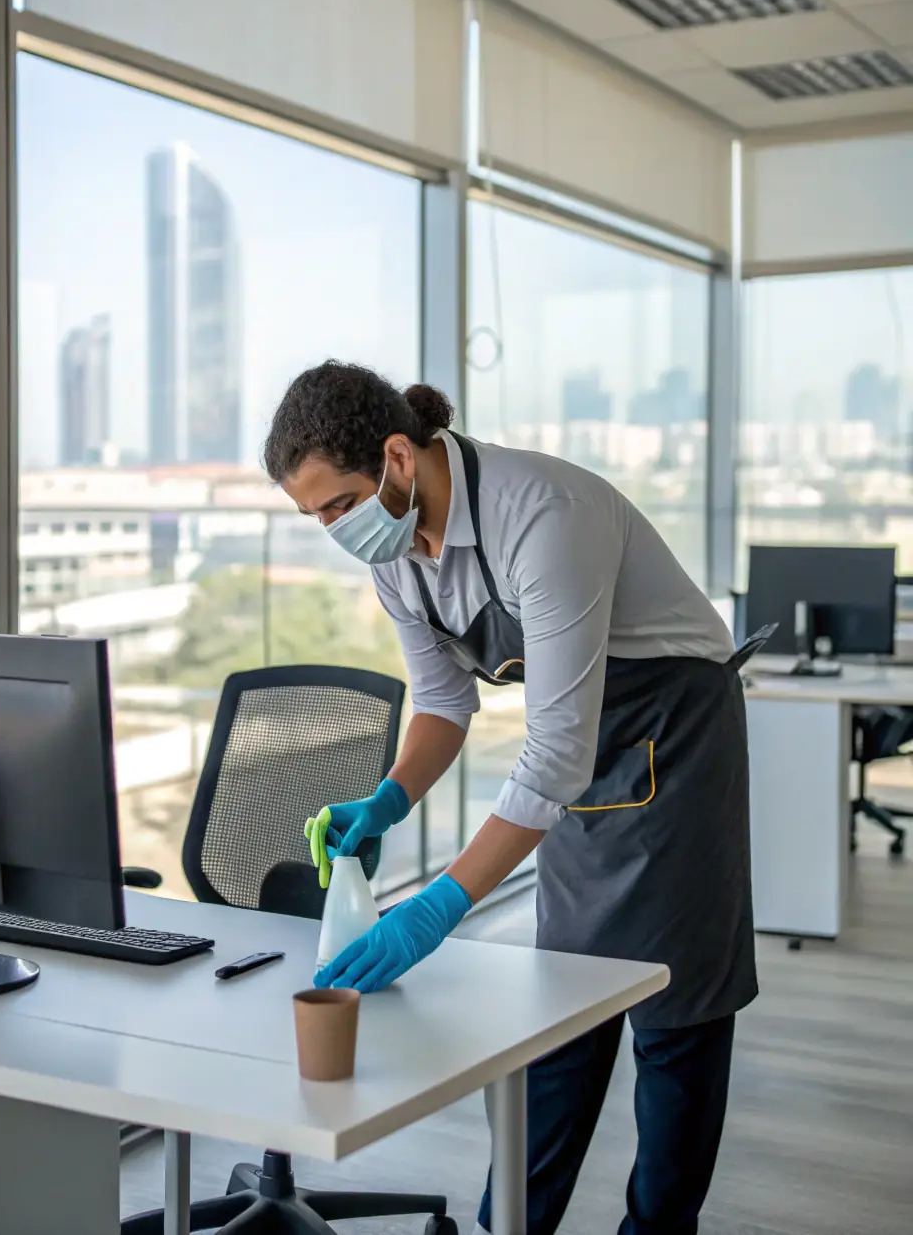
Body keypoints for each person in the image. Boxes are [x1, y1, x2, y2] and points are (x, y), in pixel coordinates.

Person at [263, 360, 759, 1235]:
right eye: (313, 517)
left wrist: (437, 906)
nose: (331, 530)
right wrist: (388, 800)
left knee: (674, 1020)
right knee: (561, 1013)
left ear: (395, 459)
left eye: (336, 505)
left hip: (675, 738)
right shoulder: (396, 554)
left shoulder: (543, 516)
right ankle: (507, 1228)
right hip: (580, 757)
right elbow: (447, 704)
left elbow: (554, 752)